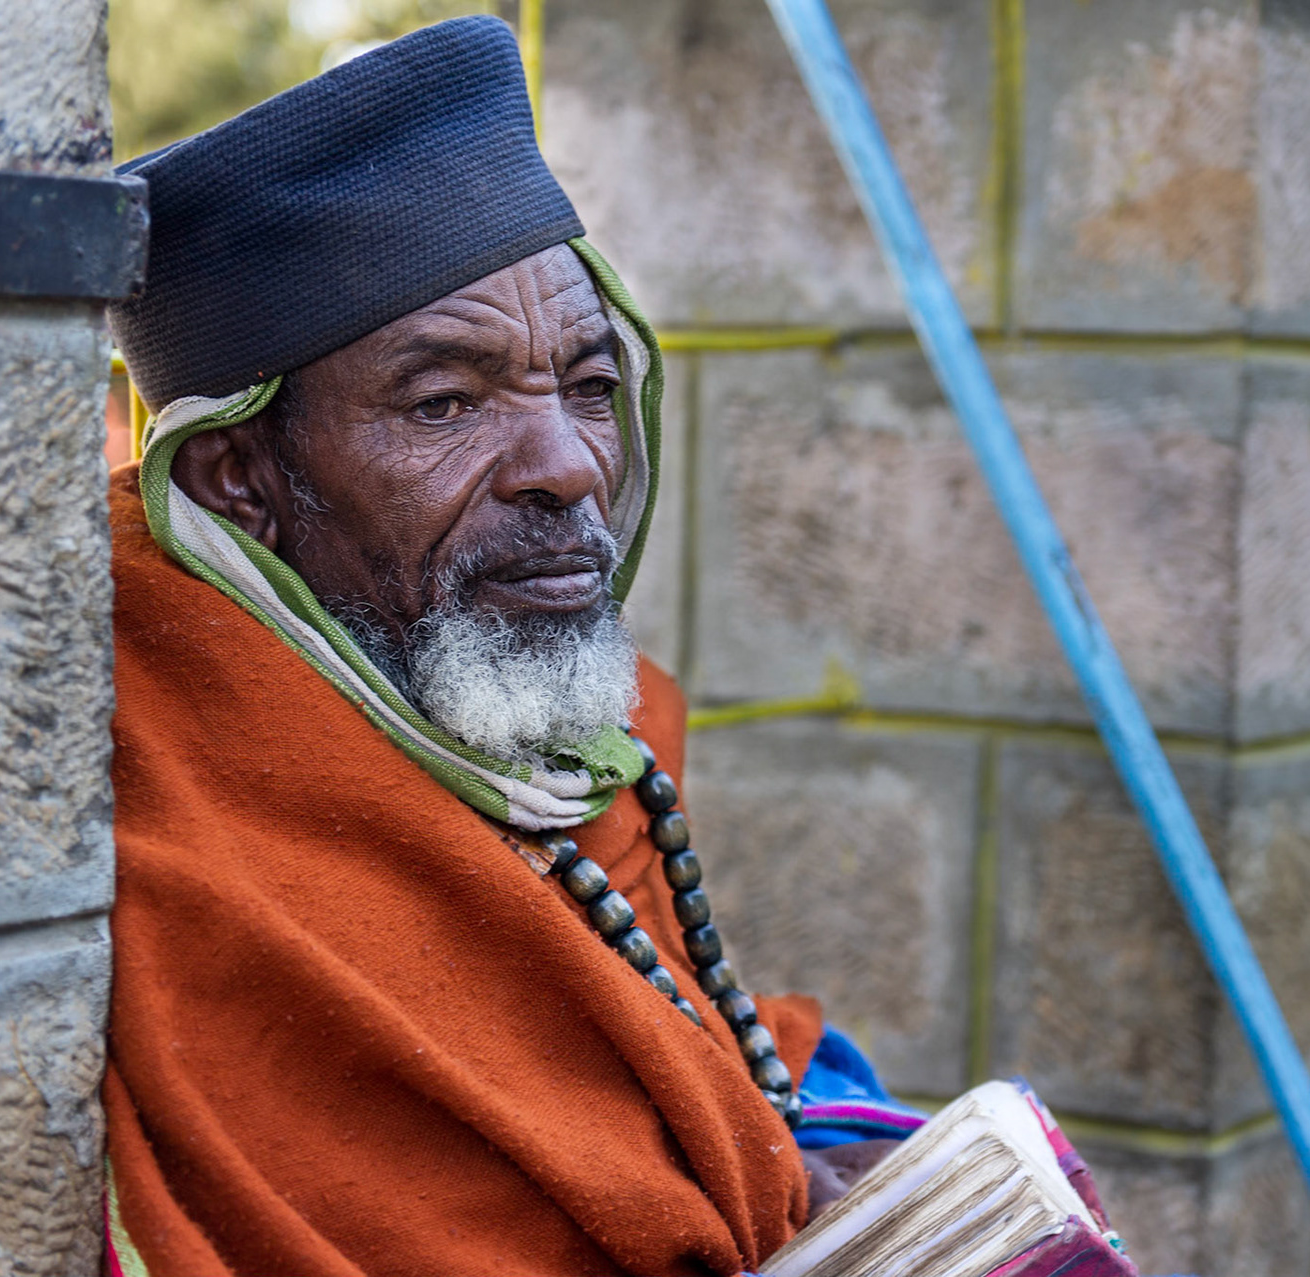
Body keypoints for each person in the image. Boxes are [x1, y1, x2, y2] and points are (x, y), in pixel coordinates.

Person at [101, 18, 913, 1276]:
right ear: (240, 478)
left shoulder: (586, 743)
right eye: (446, 403)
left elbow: (717, 1041)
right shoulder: (153, 796)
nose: (570, 464)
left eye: (588, 385)